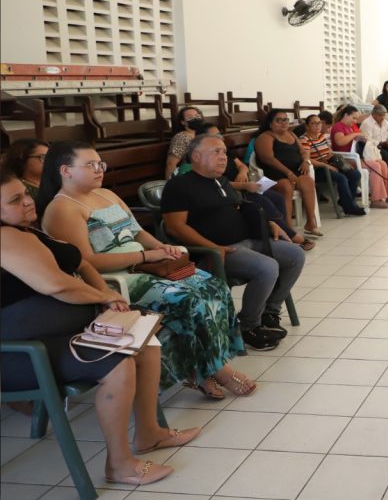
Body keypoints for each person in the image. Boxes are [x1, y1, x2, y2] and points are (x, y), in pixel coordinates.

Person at [1, 171, 201, 484]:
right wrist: (102, 299)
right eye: (15, 199)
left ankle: (150, 432)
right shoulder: (5, 237)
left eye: (25, 194)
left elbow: (80, 263)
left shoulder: (29, 230)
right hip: (22, 350)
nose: (28, 200)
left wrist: (106, 296)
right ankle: (119, 464)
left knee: (145, 341)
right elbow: (55, 285)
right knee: (118, 363)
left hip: (60, 333)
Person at [37, 142, 256, 397]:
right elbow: (86, 261)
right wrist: (145, 255)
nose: (99, 170)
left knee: (213, 286)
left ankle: (205, 366)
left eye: (101, 164)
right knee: (187, 298)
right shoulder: (62, 208)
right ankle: (219, 371)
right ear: (65, 170)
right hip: (115, 281)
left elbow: (138, 232)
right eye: (90, 165)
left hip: (146, 267)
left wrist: (162, 248)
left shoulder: (107, 194)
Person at [162, 134, 306, 351]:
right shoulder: (179, 186)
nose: (223, 157)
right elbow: (175, 227)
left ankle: (269, 312)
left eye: (224, 152)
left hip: (248, 240)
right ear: (196, 156)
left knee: (295, 255)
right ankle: (248, 327)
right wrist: (212, 247)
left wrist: (268, 225)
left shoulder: (221, 181)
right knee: (267, 267)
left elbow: (241, 208)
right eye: (216, 152)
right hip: (218, 251)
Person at [179, 124, 315, 252]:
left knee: (277, 197)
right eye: (215, 136)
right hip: (235, 191)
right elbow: (219, 184)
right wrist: (245, 185)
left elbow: (242, 165)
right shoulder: (200, 169)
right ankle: (291, 236)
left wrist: (242, 172)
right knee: (263, 201)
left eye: (219, 134)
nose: (220, 137)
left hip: (242, 186)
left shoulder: (225, 153)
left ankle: (284, 232)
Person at [254, 108, 321, 237]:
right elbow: (268, 158)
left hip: (294, 171)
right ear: (270, 123)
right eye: (279, 120)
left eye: (285, 120)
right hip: (269, 175)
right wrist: (287, 172)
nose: (283, 123)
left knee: (308, 181)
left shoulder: (291, 134)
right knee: (286, 186)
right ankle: (288, 228)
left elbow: (304, 151)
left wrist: (306, 161)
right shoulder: (265, 137)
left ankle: (310, 223)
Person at [331, 105, 388, 209]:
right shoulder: (338, 126)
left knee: (382, 163)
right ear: (346, 115)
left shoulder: (349, 127)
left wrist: (360, 139)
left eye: (356, 119)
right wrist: (355, 135)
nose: (355, 121)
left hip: (355, 156)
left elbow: (353, 142)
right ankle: (376, 199)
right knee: (376, 166)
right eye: (353, 118)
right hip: (346, 159)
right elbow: (340, 142)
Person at [299, 114, 366, 216]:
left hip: (329, 163)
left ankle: (346, 201)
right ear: (307, 126)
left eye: (319, 123)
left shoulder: (320, 136)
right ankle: (349, 208)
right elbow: (307, 160)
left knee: (355, 174)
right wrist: (325, 165)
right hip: (317, 169)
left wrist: (342, 162)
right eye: (314, 123)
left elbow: (329, 151)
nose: (317, 126)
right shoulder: (304, 139)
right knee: (341, 178)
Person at [361, 104, 388, 189]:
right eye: (380, 115)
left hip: (385, 144)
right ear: (373, 114)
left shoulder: (385, 122)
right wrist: (381, 143)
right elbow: (367, 140)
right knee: (385, 155)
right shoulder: (367, 123)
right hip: (373, 147)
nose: (383, 117)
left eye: (384, 115)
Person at [165, 106, 204, 179]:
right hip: (188, 177)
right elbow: (171, 164)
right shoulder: (182, 137)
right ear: (183, 122)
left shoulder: (204, 134)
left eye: (197, 116)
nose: (195, 119)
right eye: (190, 117)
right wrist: (170, 185)